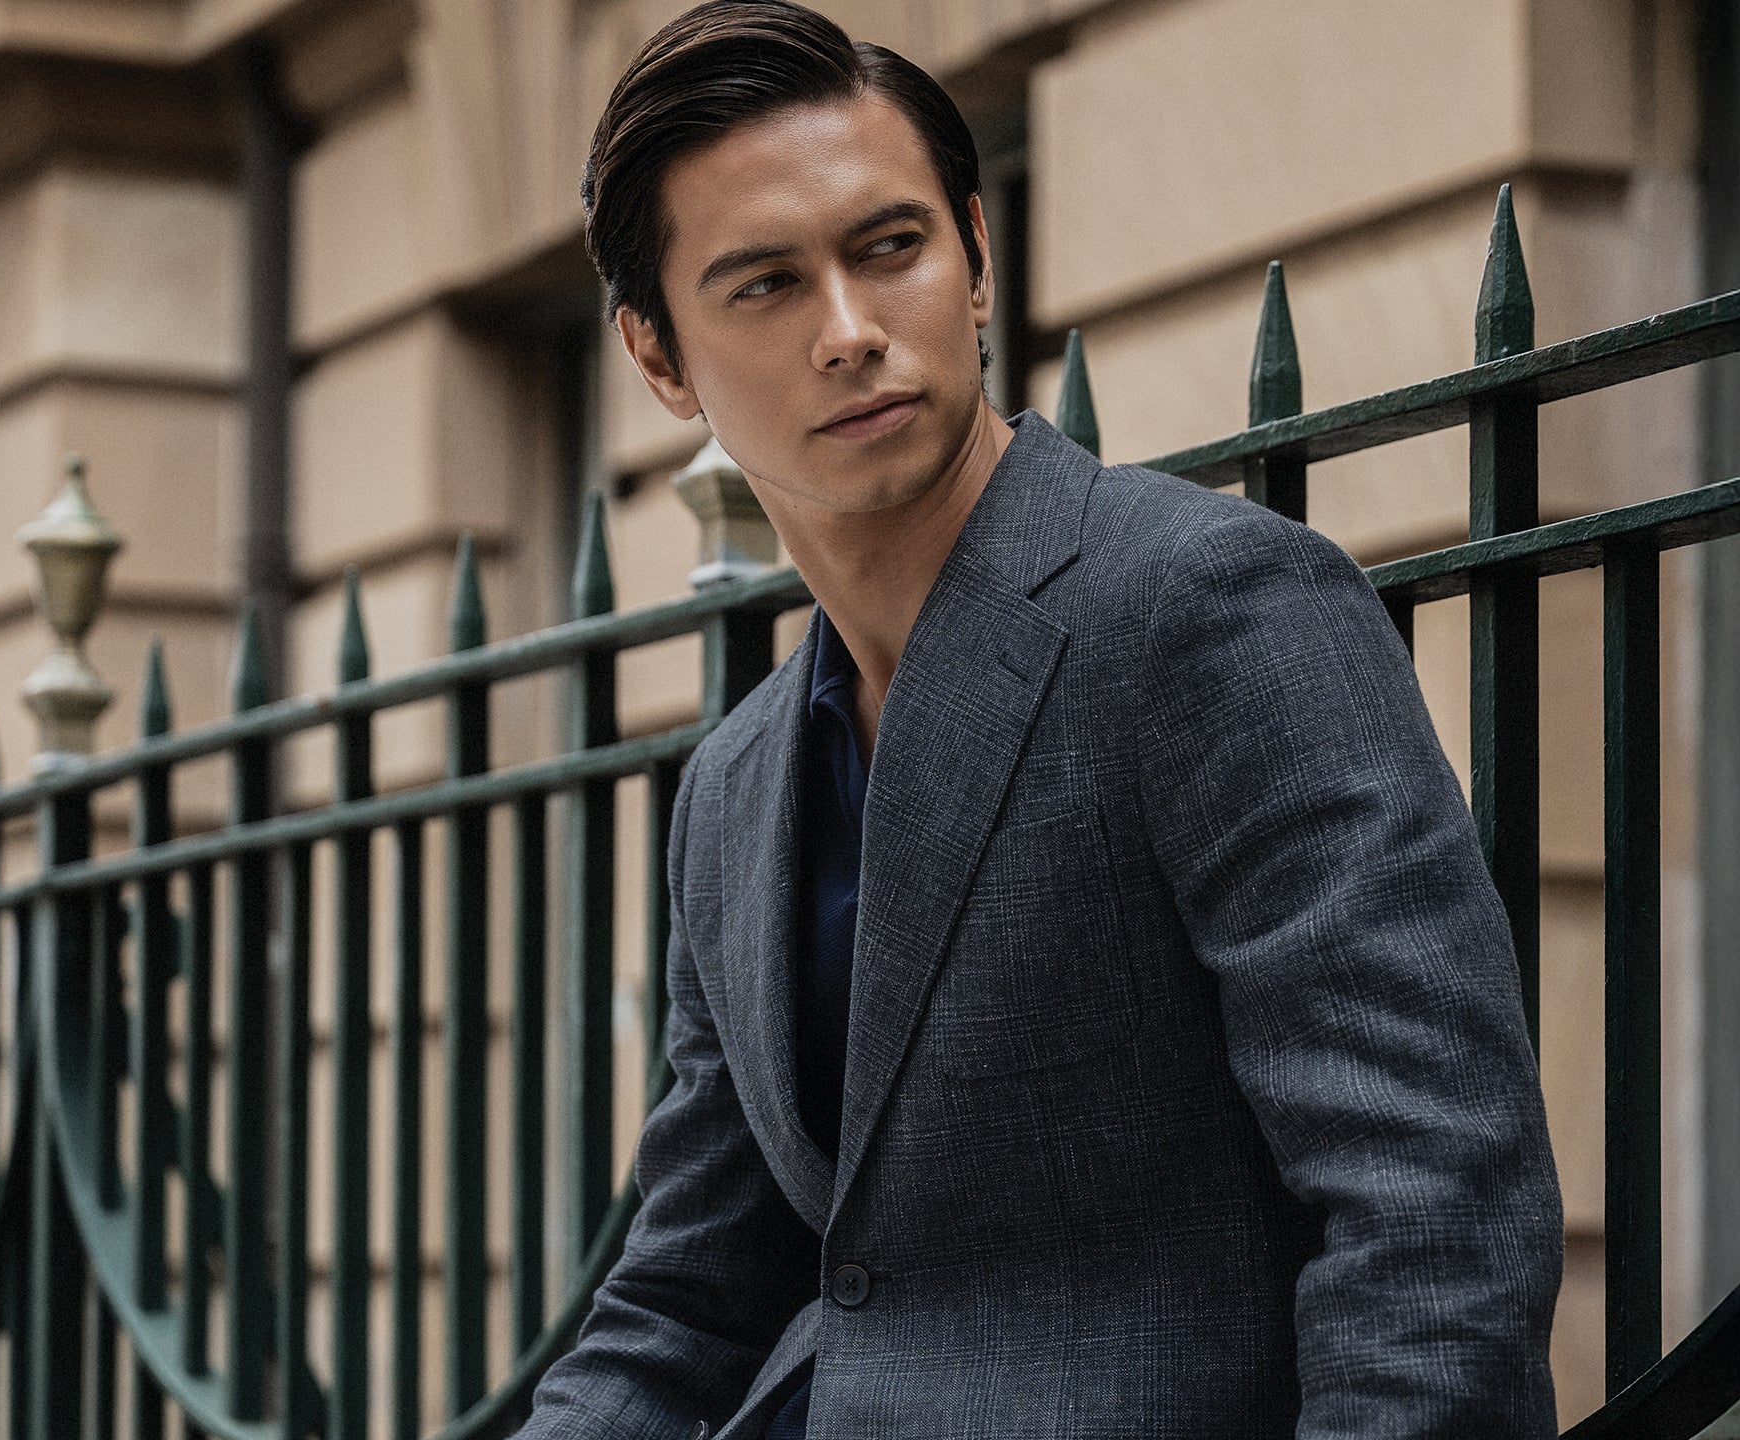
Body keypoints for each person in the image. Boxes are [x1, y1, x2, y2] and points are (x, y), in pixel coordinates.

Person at [517, 4, 1564, 1436]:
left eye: (891, 248)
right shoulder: (737, 788)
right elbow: (687, 1300)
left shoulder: (1207, 607)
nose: (851, 331)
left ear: (979, 258)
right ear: (658, 358)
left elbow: (1434, 1212)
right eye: (763, 285)